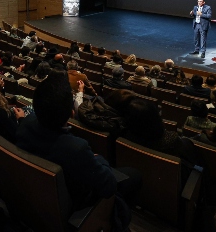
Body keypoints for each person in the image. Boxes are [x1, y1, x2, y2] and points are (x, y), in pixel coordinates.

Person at [15, 70, 141, 216]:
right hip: (75, 205)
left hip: (41, 198)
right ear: (71, 113)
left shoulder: (25, 123)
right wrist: (97, 157)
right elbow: (109, 185)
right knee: (135, 175)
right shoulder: (76, 148)